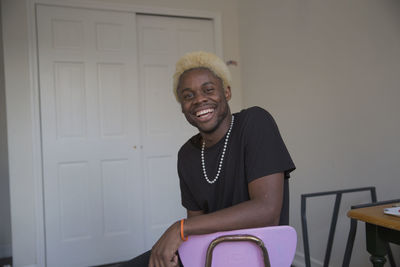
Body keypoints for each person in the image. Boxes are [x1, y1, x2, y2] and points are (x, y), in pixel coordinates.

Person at [121, 51, 295, 267]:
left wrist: (181, 228)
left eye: (208, 90)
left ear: (227, 92)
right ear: (182, 107)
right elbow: (197, 223)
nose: (199, 99)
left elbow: (267, 211)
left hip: (257, 255)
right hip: (208, 254)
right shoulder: (187, 154)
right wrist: (179, 253)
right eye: (188, 96)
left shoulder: (254, 123)